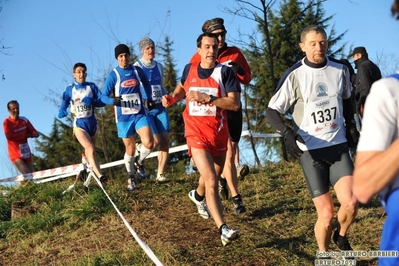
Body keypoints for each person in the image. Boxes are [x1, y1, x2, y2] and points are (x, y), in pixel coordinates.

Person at [266, 25, 359, 257]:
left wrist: (351, 126)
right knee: (326, 215)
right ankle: (324, 254)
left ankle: (342, 235)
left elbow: (347, 100)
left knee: (351, 203)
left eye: (323, 42)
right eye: (313, 43)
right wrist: (286, 134)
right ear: (303, 46)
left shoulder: (340, 69)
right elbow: (271, 110)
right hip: (311, 151)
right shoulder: (295, 74)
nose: (319, 47)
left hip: (337, 146)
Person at [162, 32, 240, 246]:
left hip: (217, 135)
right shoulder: (189, 69)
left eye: (214, 47)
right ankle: (223, 228)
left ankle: (197, 196)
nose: (210, 50)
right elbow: (181, 91)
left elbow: (234, 105)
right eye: (206, 47)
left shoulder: (225, 73)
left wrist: (210, 99)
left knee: (209, 178)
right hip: (195, 134)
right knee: (213, 180)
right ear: (198, 50)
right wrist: (171, 99)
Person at [352, 2, 399, 265]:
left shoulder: (362, 69)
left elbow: (362, 90)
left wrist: (359, 104)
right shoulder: (390, 91)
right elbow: (362, 186)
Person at [189, 17, 251, 213]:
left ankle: (220, 182)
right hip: (211, 114)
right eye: (216, 35)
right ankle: (236, 197)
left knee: (230, 150)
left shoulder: (234, 53)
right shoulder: (197, 57)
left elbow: (247, 78)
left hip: (232, 107)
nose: (221, 38)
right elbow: (189, 83)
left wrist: (238, 70)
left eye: (223, 34)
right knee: (229, 153)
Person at [101, 44, 155, 190]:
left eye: (126, 55)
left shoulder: (137, 71)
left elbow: (147, 84)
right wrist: (113, 101)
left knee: (149, 143)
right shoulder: (114, 75)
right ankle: (131, 176)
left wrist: (149, 98)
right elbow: (103, 96)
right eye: (120, 56)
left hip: (139, 113)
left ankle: (140, 161)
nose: (124, 58)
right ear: (117, 58)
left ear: (129, 56)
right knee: (130, 148)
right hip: (123, 117)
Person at [58, 62, 107, 184]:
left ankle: (87, 165)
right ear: (74, 74)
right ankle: (100, 176)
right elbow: (64, 101)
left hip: (92, 124)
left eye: (83, 72)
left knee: (92, 152)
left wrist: (92, 101)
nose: (81, 74)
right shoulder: (70, 89)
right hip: (80, 126)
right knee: (89, 147)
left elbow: (102, 102)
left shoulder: (92, 87)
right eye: (79, 72)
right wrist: (62, 110)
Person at [133, 38, 170, 183]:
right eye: (148, 48)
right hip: (146, 110)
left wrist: (168, 96)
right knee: (154, 142)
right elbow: (134, 90)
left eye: (152, 48)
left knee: (165, 140)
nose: (151, 51)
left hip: (160, 108)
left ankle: (160, 174)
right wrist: (143, 102)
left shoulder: (159, 67)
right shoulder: (137, 67)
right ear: (142, 50)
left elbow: (161, 87)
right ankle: (139, 160)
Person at [3, 100, 39, 178]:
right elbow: (10, 136)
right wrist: (25, 135)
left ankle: (17, 190)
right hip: (15, 154)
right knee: (28, 175)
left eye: (17, 108)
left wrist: (34, 134)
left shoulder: (24, 120)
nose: (16, 110)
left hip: (26, 152)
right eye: (13, 109)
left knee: (30, 177)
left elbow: (33, 131)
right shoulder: (7, 122)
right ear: (9, 110)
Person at [351, 46, 382, 119]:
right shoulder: (374, 66)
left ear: (359, 55)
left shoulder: (362, 67)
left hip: (368, 106)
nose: (353, 59)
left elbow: (365, 88)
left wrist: (361, 104)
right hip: (379, 103)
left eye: (354, 56)